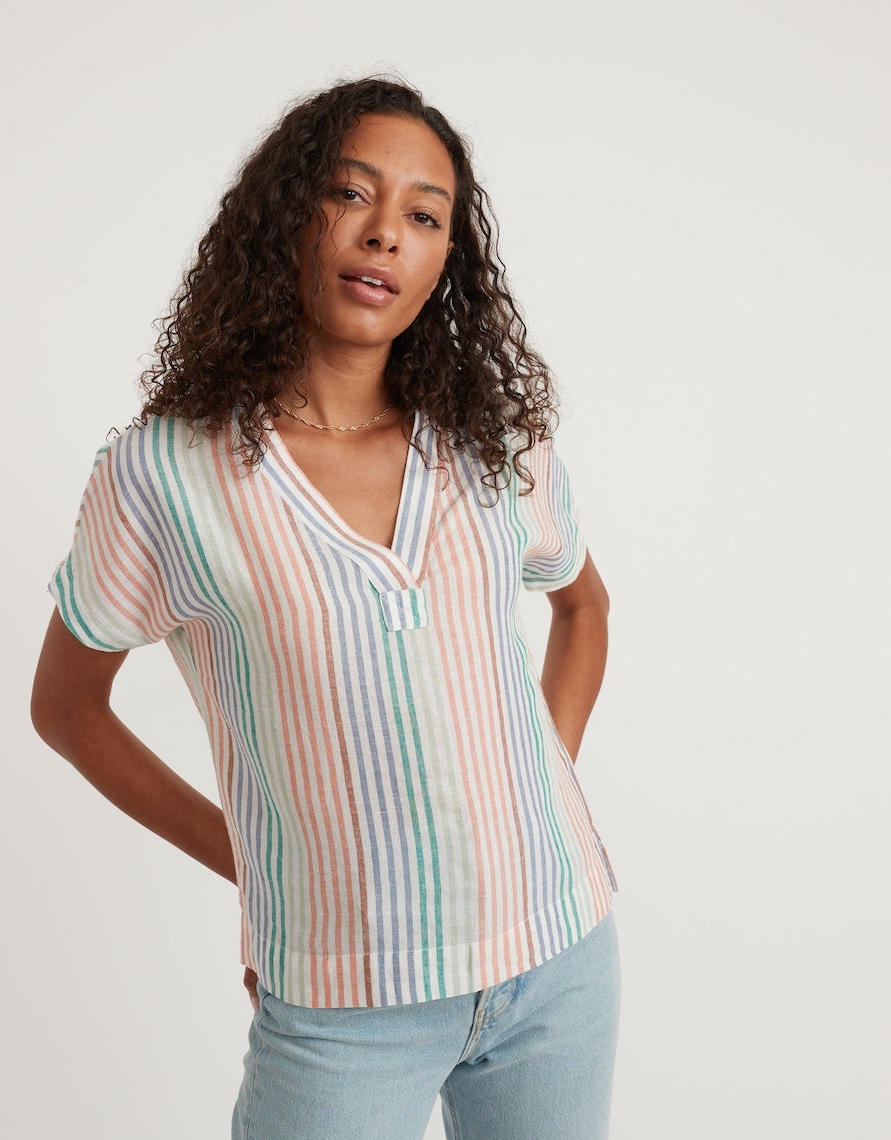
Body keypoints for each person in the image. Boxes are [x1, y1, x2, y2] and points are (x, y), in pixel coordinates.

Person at [31, 76, 621, 1140]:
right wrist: (258, 870)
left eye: (424, 216)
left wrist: (542, 789)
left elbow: (584, 608)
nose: (385, 232)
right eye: (350, 194)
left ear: (446, 262)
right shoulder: (165, 475)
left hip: (560, 958)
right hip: (344, 1002)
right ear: (286, 217)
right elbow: (67, 710)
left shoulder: (494, 441)